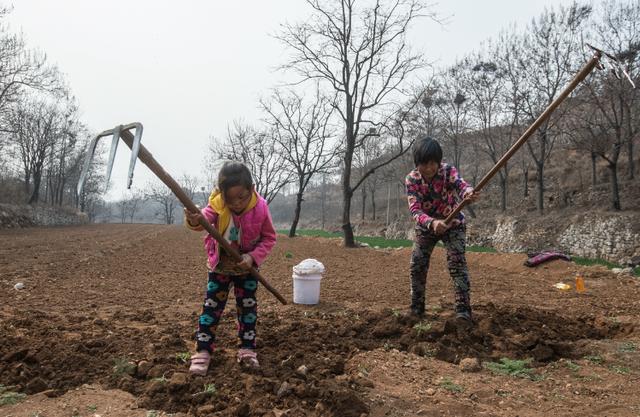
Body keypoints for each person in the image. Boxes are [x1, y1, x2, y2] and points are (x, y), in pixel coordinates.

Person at [184, 161, 276, 374]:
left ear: (251, 189)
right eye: (230, 199)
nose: (236, 204)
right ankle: (203, 351)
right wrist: (194, 219)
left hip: (247, 269)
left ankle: (247, 349)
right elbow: (203, 221)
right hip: (220, 268)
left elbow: (269, 237)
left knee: (247, 310)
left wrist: (253, 257)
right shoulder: (217, 204)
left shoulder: (261, 208)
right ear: (222, 194)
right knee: (211, 309)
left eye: (241, 197)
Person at [405, 136, 480, 322]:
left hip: (453, 224)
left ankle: (463, 310)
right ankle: (417, 308)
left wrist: (468, 193)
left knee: (457, 264)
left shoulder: (447, 171)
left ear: (439, 162)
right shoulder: (411, 180)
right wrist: (432, 223)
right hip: (426, 226)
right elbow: (415, 210)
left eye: (433, 164)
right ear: (417, 164)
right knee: (417, 265)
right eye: (425, 164)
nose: (430, 168)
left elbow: (461, 185)